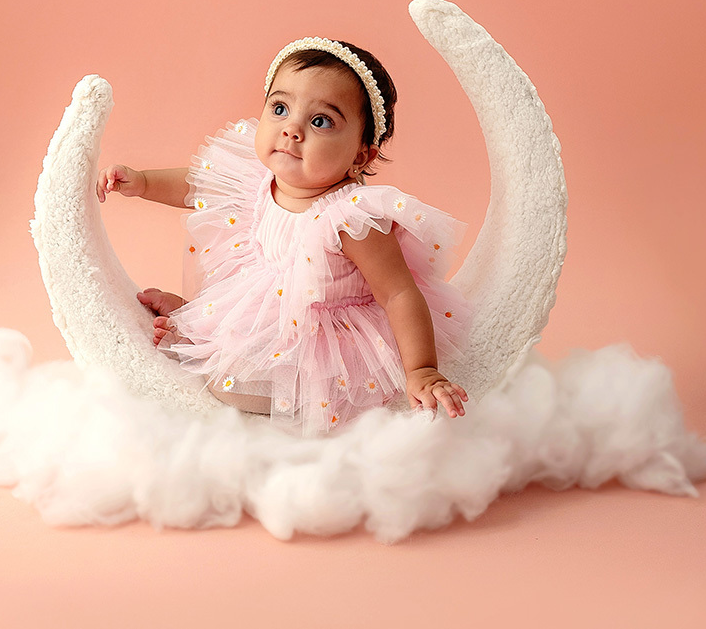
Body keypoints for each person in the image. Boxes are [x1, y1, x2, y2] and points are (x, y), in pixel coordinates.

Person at [95, 37, 472, 436]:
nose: (292, 129)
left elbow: (398, 293)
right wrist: (142, 182)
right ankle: (195, 319)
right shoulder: (257, 180)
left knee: (237, 385)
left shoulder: (351, 220)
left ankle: (194, 336)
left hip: (322, 333)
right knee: (227, 344)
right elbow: (197, 186)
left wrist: (422, 370)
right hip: (267, 310)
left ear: (360, 156)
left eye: (321, 121)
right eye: (280, 109)